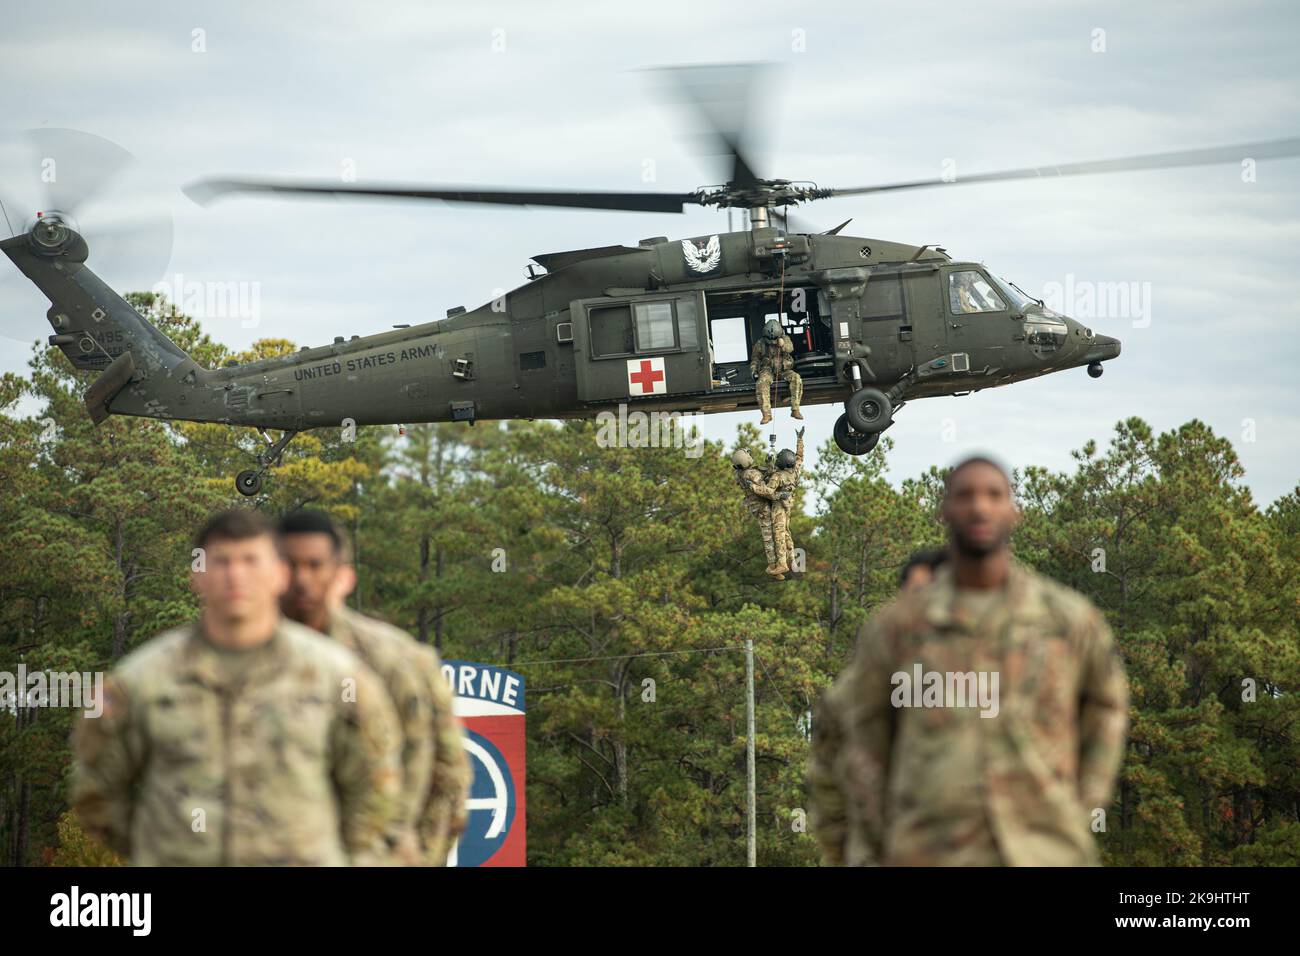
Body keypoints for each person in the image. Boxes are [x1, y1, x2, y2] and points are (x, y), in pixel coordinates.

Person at [808, 455, 1129, 866]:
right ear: (945, 510)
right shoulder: (898, 628)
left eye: (994, 495)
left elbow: (1106, 708)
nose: (979, 507)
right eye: (965, 496)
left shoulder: (1067, 619)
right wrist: (879, 838)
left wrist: (1079, 805)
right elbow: (860, 738)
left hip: (1046, 852)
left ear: (1015, 510)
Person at [70, 509, 403, 866]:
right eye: (222, 562)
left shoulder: (336, 677)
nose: (236, 576)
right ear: (197, 575)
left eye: (250, 561)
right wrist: (161, 848)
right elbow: (95, 789)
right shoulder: (142, 679)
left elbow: (376, 787)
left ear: (279, 574)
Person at [279, 509, 471, 866]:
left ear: (342, 576)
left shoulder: (398, 662)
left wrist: (414, 857)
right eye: (289, 565)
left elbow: (447, 777)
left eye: (315, 565)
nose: (302, 579)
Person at [731, 448, 785, 579]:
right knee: (774, 534)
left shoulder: (739, 473)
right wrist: (780, 495)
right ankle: (778, 565)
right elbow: (765, 490)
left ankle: (773, 566)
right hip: (763, 506)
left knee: (766, 535)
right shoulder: (752, 474)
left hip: (753, 506)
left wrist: (767, 466)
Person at [750, 319, 803, 424]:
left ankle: (795, 409)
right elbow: (755, 359)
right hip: (767, 370)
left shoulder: (785, 339)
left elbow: (790, 349)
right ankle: (766, 414)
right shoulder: (760, 343)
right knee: (761, 383)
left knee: (796, 378)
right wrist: (753, 370)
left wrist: (782, 345)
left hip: (784, 370)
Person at [768, 428, 805, 576]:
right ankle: (792, 560)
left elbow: (769, 492)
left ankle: (782, 564)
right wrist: (799, 440)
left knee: (778, 535)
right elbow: (800, 457)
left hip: (778, 508)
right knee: (787, 533)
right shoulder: (795, 471)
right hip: (789, 505)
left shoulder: (778, 476)